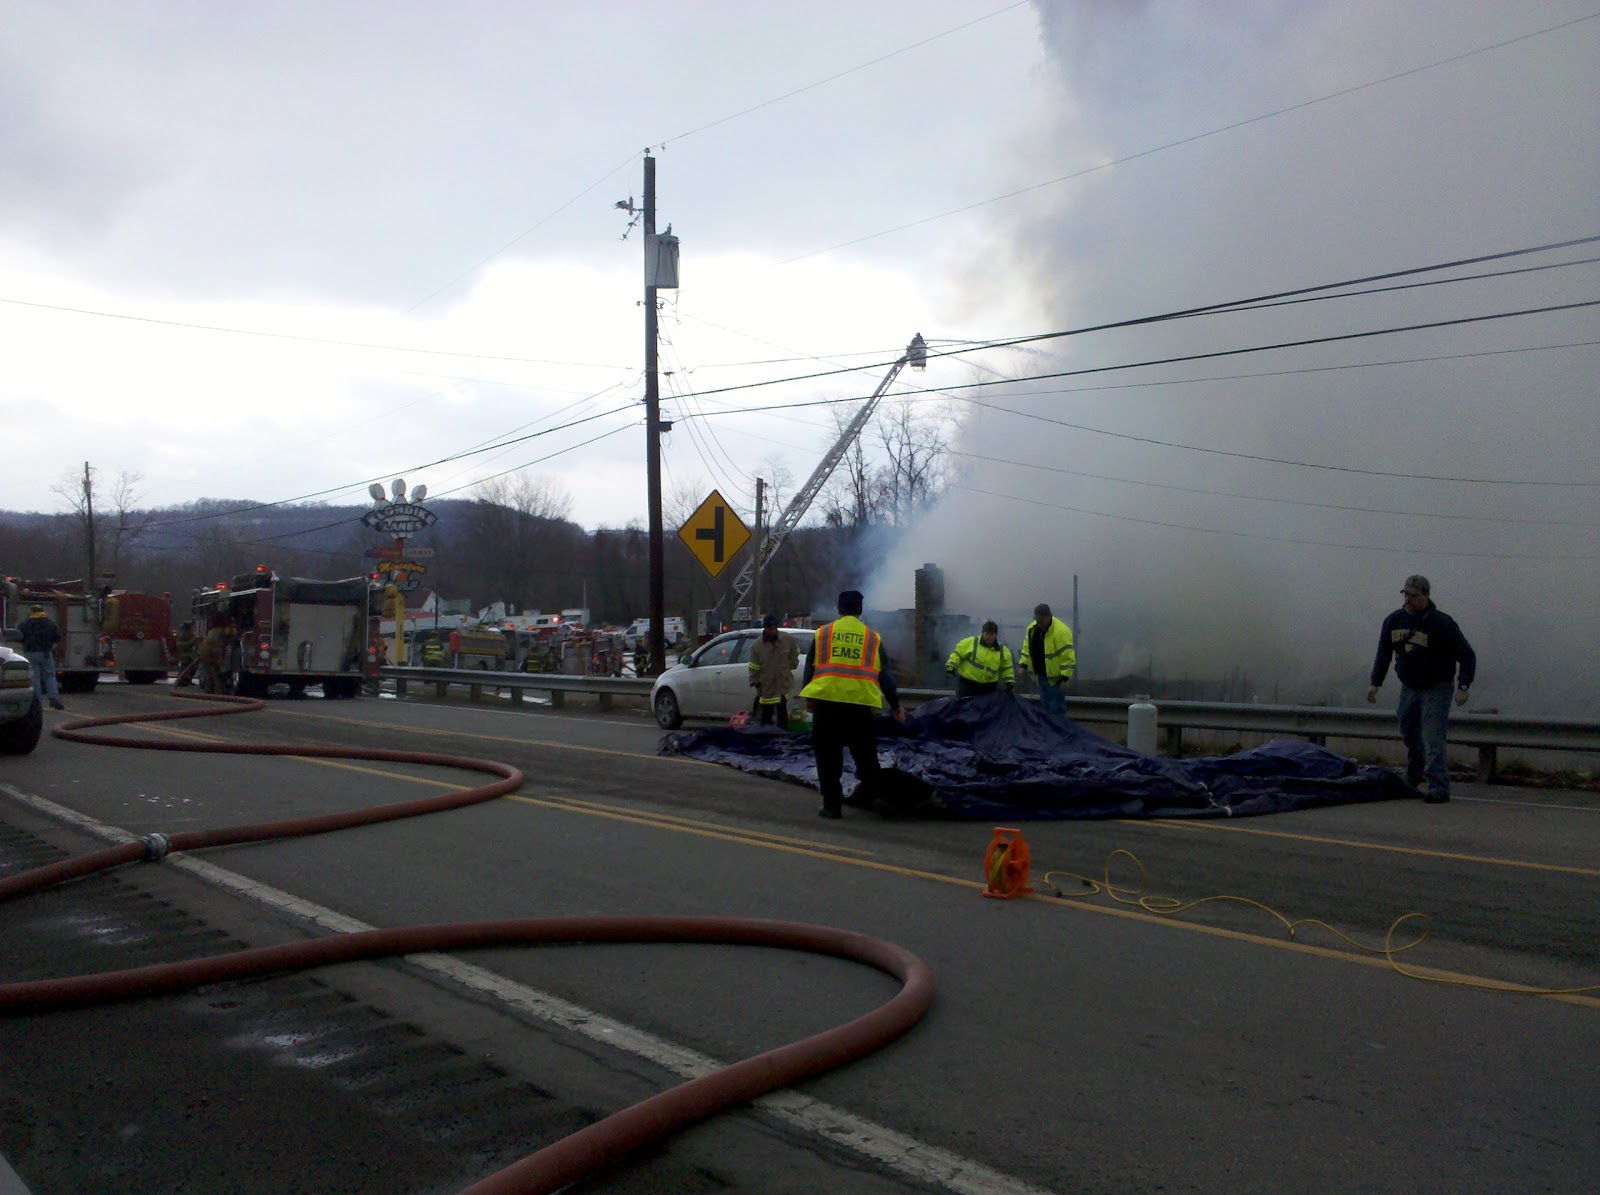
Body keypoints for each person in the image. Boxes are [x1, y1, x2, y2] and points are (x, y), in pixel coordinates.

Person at [1367, 574, 1476, 804]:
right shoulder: (1393, 621)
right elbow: (1384, 653)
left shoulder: (1442, 623)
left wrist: (1463, 686)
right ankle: (1414, 775)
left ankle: (1438, 786)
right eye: (1405, 594)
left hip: (1437, 687)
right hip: (1409, 687)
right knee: (1408, 730)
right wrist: (1375, 683)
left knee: (1432, 736)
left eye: (1413, 595)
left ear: (1426, 596)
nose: (1408, 599)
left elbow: (1467, 655)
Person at [799, 590, 906, 818]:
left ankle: (832, 806)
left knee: (828, 757)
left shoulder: (823, 633)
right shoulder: (872, 638)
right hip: (860, 706)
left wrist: (809, 698)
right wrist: (895, 705)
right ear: (860, 610)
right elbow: (886, 676)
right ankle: (878, 797)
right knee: (866, 756)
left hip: (827, 703)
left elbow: (810, 667)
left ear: (839, 609)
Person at [1018, 602, 1075, 717]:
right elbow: (1027, 647)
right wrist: (1023, 665)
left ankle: (1058, 727)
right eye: (1037, 620)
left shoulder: (1060, 631)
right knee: (1045, 706)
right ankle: (1048, 727)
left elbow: (1067, 656)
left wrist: (1065, 678)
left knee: (1056, 708)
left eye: (1041, 620)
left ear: (1049, 616)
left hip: (1055, 679)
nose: (1039, 623)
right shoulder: (1032, 628)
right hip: (1041, 675)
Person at [747, 613, 800, 727]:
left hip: (782, 684)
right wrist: (756, 683)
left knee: (782, 713)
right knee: (766, 715)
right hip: (767, 686)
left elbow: (795, 654)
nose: (773, 631)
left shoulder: (787, 639)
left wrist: (789, 667)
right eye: (770, 628)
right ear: (765, 628)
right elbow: (754, 667)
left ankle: (782, 733)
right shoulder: (757, 646)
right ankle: (766, 733)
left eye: (775, 628)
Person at [945, 620, 1015, 697]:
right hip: (967, 685)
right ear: (982, 633)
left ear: (996, 635)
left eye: (991, 634)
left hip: (988, 688)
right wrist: (951, 667)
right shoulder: (971, 642)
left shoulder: (1003, 651)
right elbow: (957, 654)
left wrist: (1009, 682)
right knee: (963, 704)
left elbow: (1006, 668)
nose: (989, 637)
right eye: (986, 634)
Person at [18, 603, 65, 711]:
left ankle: (37, 702)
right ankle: (53, 697)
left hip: (30, 653)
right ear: (42, 611)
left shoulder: (25, 623)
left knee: (35, 677)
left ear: (32, 612)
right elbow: (57, 637)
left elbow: (19, 637)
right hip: (45, 653)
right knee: (50, 675)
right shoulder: (49, 623)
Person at [197, 621, 232, 695]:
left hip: (205, 654)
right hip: (209, 655)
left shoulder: (213, 632)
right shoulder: (219, 633)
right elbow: (217, 649)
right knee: (215, 675)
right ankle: (217, 692)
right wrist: (221, 663)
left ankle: (209, 691)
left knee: (209, 674)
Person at [174, 619, 198, 687]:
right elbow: (184, 645)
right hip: (185, 655)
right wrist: (194, 640)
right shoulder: (184, 634)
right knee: (185, 668)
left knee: (190, 668)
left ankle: (186, 680)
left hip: (187, 655)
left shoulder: (187, 633)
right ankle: (181, 681)